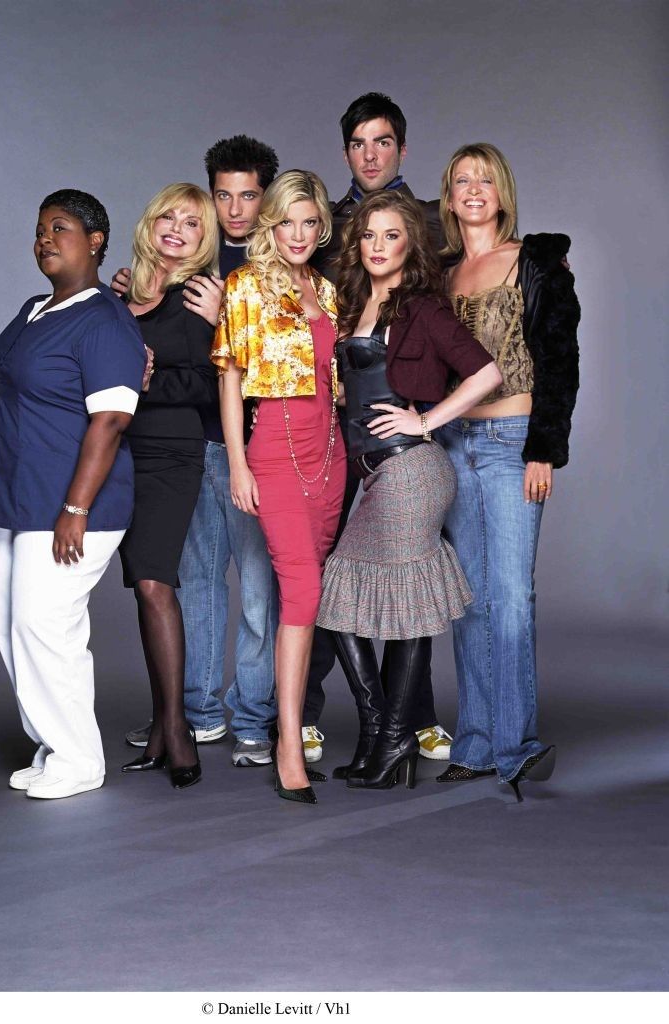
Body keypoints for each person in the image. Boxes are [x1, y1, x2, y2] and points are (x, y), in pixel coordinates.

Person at [316, 191, 501, 789]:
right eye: (369, 235)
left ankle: (391, 736)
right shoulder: (351, 303)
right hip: (372, 473)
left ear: (410, 244)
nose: (377, 246)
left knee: (396, 608)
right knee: (346, 599)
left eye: (391, 235)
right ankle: (382, 734)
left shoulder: (422, 308)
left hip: (411, 469)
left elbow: (487, 372)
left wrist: (425, 420)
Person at [115, 137, 283, 768]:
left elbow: (285, 364)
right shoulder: (190, 267)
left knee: (259, 592)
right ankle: (198, 713)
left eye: (248, 196)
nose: (235, 208)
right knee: (198, 586)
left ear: (266, 199)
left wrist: (225, 324)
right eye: (222, 196)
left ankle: (254, 718)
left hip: (253, 449)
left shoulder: (280, 262)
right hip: (195, 449)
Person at [0, 189, 147, 800]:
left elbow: (111, 419)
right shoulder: (34, 310)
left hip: (71, 506)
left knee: (46, 627)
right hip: (14, 499)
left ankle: (78, 760)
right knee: (14, 629)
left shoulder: (105, 319)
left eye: (60, 228)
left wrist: (75, 509)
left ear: (96, 241)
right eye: (40, 230)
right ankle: (53, 745)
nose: (45, 239)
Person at [305, 91, 452, 765]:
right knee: (334, 569)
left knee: (406, 572)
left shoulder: (432, 220)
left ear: (402, 148)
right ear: (345, 153)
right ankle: (312, 712)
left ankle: (409, 718)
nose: (370, 155)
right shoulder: (328, 226)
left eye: (383, 142)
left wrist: (541, 262)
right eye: (359, 144)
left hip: (407, 427)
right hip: (339, 428)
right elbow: (277, 269)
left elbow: (485, 262)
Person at [434, 143, 580, 800]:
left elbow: (560, 359)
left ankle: (515, 747)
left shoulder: (535, 263)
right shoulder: (440, 274)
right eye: (462, 180)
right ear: (449, 195)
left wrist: (544, 448)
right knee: (469, 598)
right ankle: (475, 742)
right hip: (452, 444)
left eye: (485, 180)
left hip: (512, 441)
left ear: (502, 194)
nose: (474, 189)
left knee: (513, 595)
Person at [212, 170, 346, 803]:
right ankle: (288, 742)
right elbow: (230, 379)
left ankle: (290, 727)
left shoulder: (327, 289)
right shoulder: (245, 286)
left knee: (308, 597)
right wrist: (238, 465)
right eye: (287, 221)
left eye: (309, 222)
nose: (298, 234)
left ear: (321, 228)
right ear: (271, 225)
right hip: (274, 449)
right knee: (302, 592)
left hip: (330, 453)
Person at [117, 183, 219, 790]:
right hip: (114, 453)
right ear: (150, 223)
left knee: (156, 582)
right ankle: (161, 725)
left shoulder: (199, 298)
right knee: (141, 584)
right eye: (168, 217)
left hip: (170, 454)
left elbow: (212, 383)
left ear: (204, 238)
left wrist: (144, 384)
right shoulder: (118, 297)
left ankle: (177, 727)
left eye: (192, 222)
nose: (177, 228)